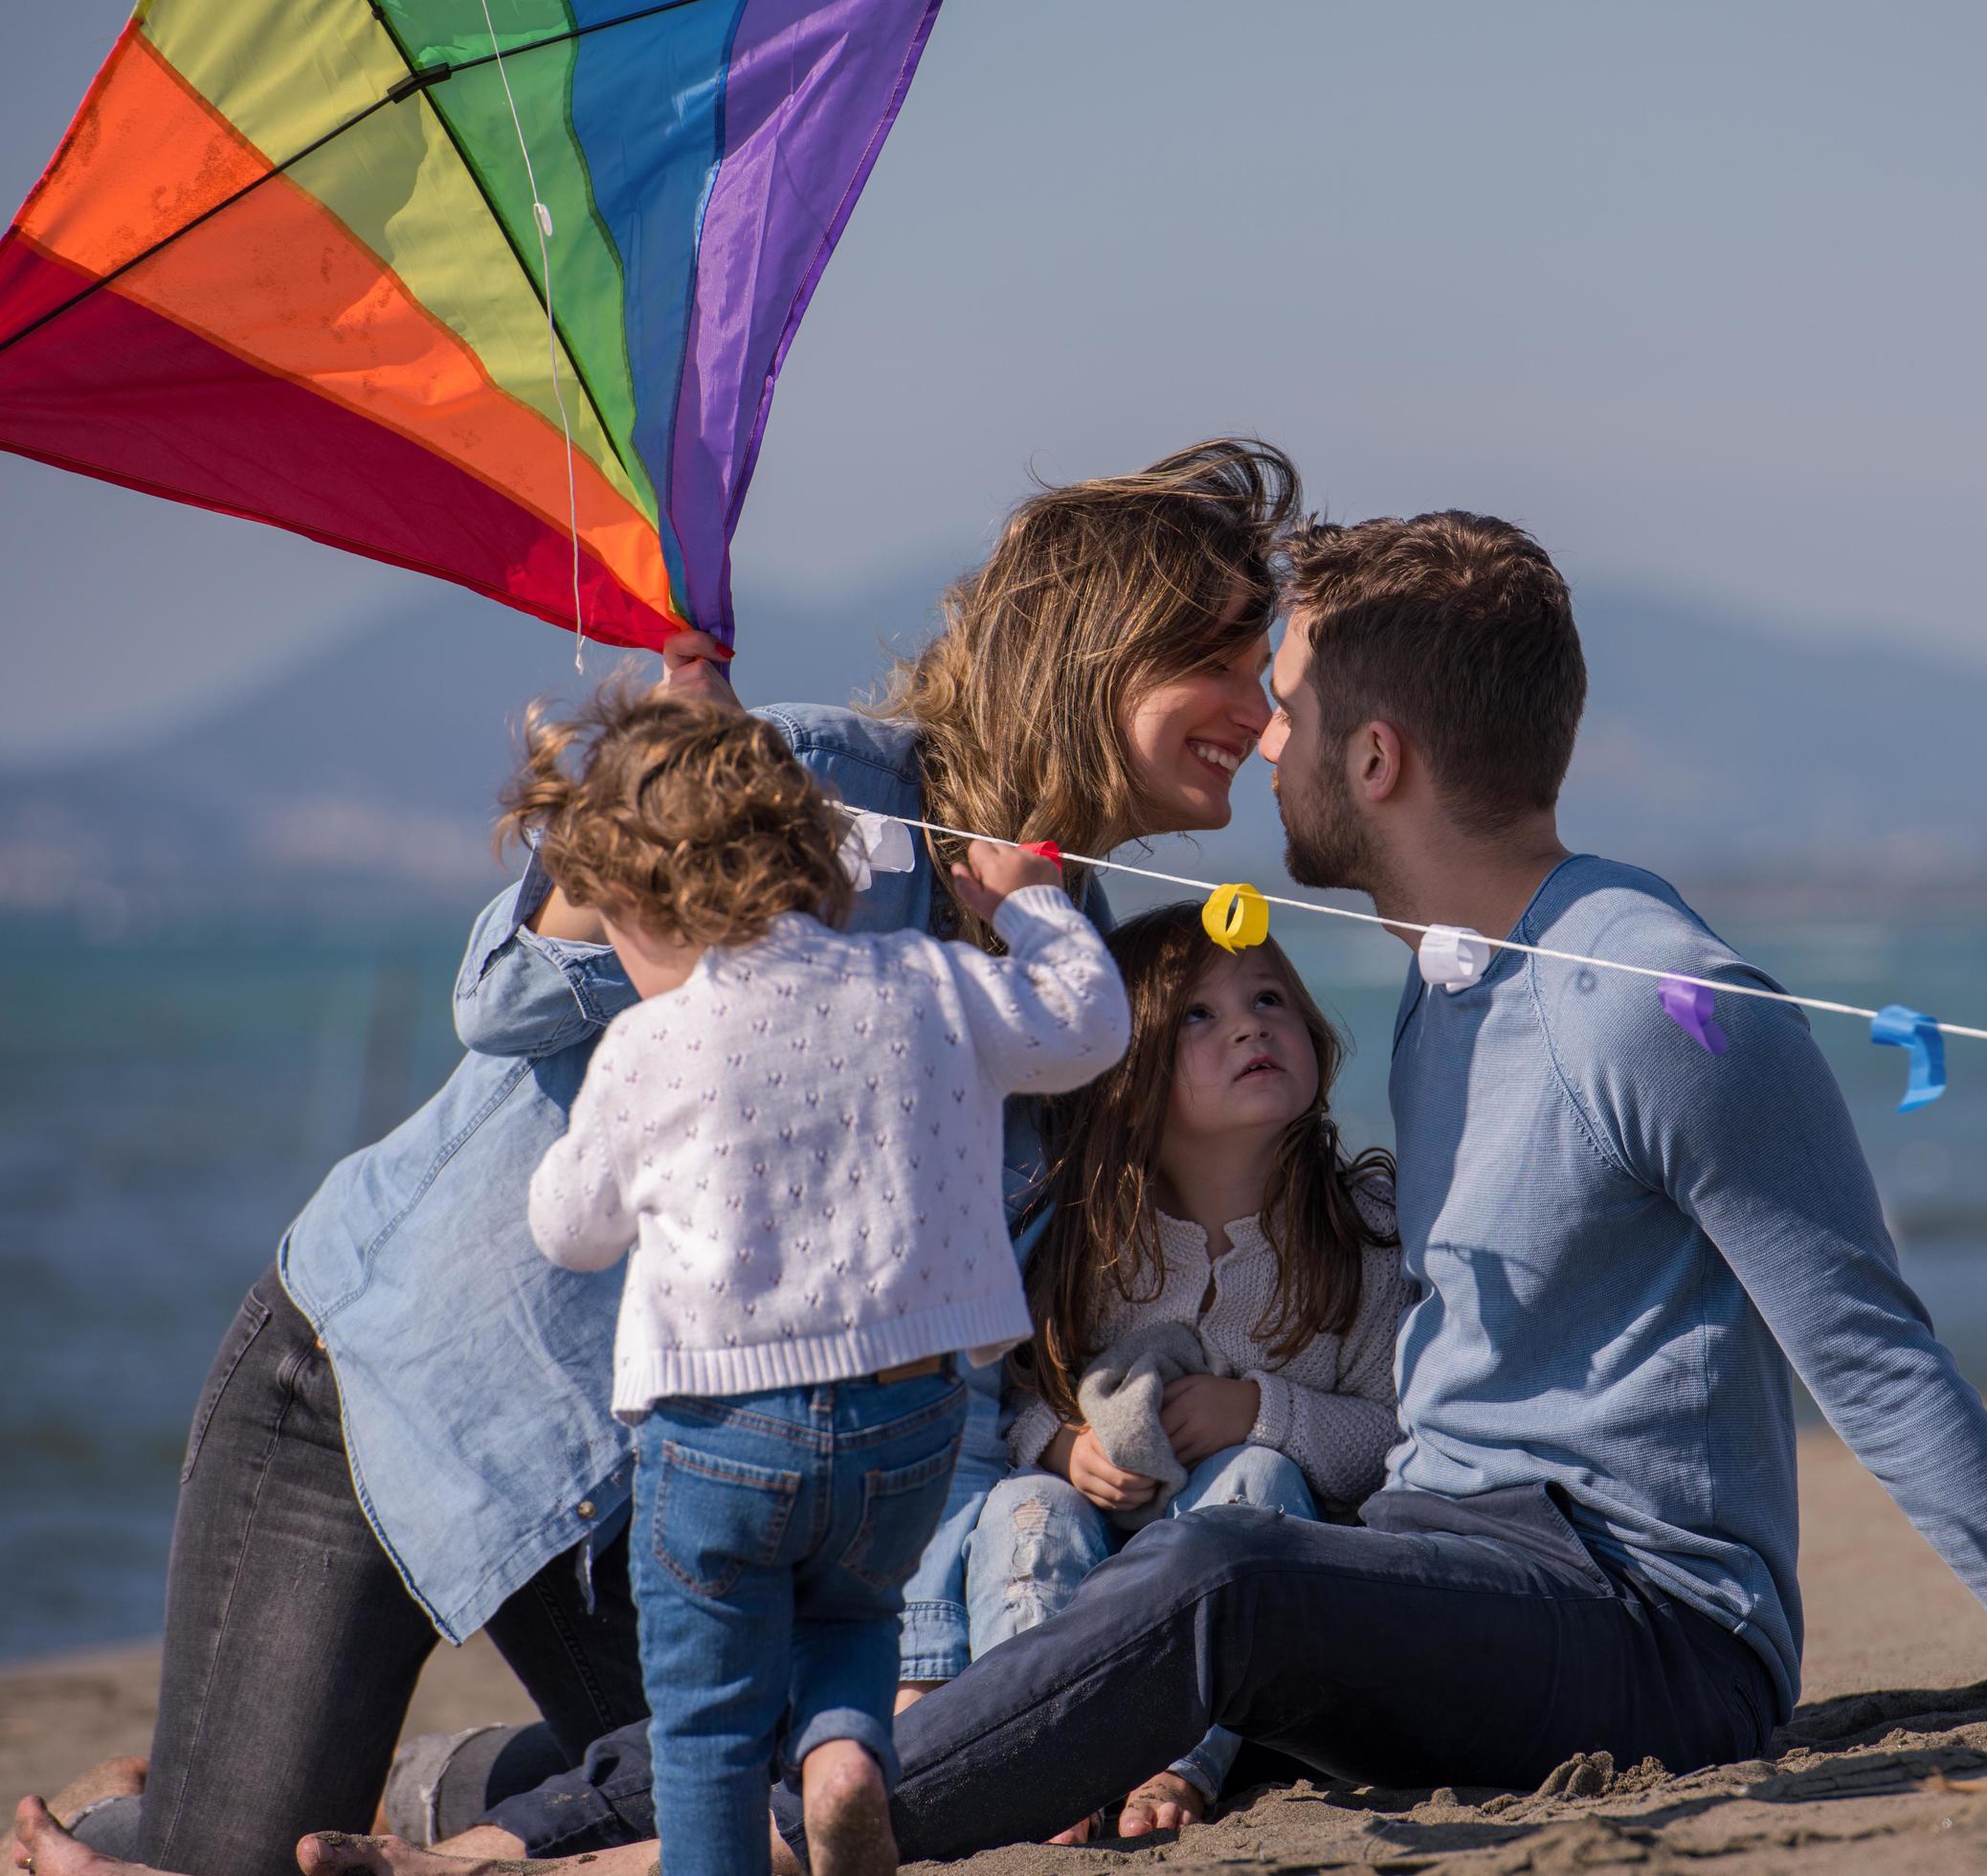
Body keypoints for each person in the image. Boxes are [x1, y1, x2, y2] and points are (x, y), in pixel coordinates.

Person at [189, 506, 1987, 1876]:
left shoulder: (1661, 995)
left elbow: (1863, 1343)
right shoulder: (1437, 982)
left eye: (1287, 703)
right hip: (1451, 1543)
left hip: (1649, 1612)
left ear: (1377, 761)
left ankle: (720, 1836)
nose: (1258, 740)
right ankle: (515, 1806)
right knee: (1075, 1581)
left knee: (1229, 1586)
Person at [10, 439, 1302, 1876]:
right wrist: (642, 795)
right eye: (1231, 666)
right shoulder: (807, 779)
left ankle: (372, 1795)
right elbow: (495, 1000)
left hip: (670, 1481)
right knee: (224, 1865)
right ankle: (156, 1824)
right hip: (384, 1392)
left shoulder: (1063, 935)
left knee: (757, 1784)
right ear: (1098, 656)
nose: (1262, 714)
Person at [508, 690, 1132, 1876]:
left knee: (709, 1729)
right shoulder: (926, 978)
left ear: (643, 906)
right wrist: (1038, 904)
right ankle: (845, 1758)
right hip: (910, 1421)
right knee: (851, 1618)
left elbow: (569, 1232)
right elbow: (1087, 1028)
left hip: (719, 1435)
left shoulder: (654, 1041)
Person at [969, 904, 1411, 1841]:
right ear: (1129, 1076)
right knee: (1022, 1508)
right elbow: (1012, 1393)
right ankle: (1036, 1756)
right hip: (1099, 1573)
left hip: (1261, 1622)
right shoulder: (1092, 1237)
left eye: (1267, 997)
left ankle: (1180, 1760)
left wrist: (1264, 1410)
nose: (1250, 1023)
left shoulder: (1360, 1231)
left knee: (1260, 1476)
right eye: (1197, 1016)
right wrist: (1058, 1447)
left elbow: (1393, 1438)